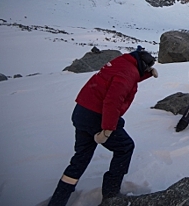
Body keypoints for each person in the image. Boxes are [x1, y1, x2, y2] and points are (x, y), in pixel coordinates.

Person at [47, 46, 158, 205]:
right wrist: (107, 130)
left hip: (82, 112)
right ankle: (111, 195)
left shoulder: (123, 61)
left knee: (80, 159)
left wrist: (146, 74)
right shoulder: (128, 73)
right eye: (147, 67)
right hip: (97, 116)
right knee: (125, 147)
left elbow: (122, 76)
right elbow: (113, 101)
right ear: (142, 65)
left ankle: (58, 200)